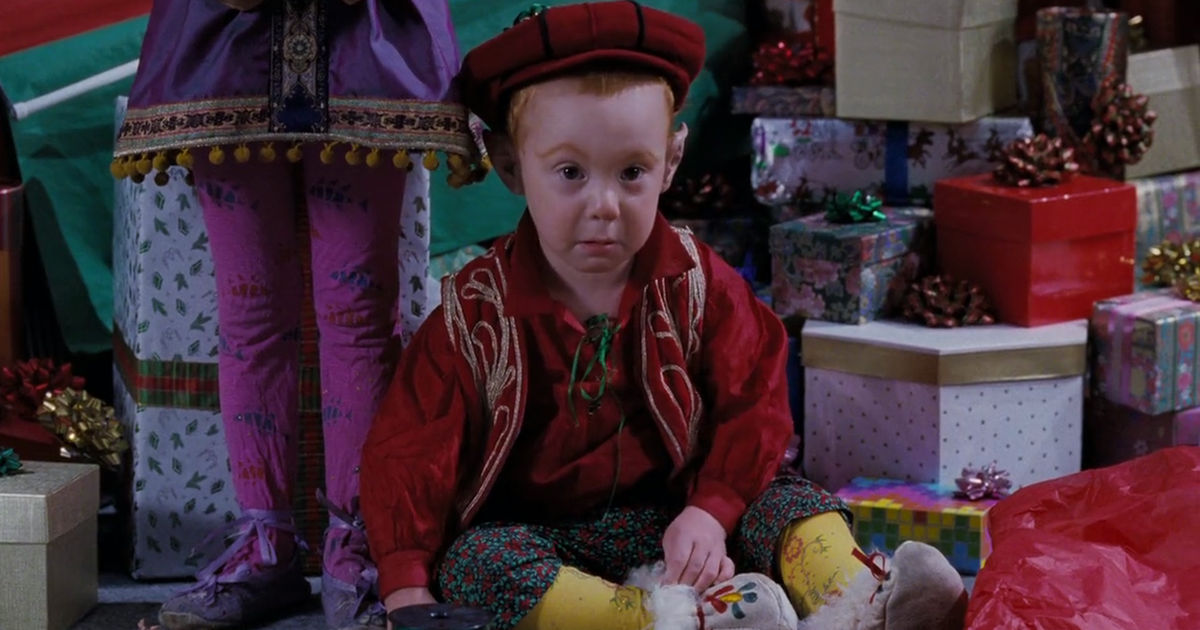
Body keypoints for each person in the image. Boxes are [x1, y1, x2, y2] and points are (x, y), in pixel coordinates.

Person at [361, 3, 968, 629]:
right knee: (474, 562)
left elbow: (754, 401)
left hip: (688, 520)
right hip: (545, 537)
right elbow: (410, 451)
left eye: (632, 172)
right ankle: (675, 621)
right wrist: (405, 582)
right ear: (511, 164)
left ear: (671, 160)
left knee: (789, 498)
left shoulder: (697, 282)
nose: (604, 204)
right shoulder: (473, 313)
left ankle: (864, 600)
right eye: (569, 172)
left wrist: (712, 507)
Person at [112, 1, 484, 628]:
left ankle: (354, 549)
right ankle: (266, 549)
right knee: (249, 312)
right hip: (227, 40)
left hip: (367, 39)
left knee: (360, 314)